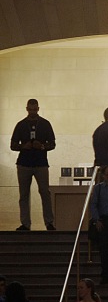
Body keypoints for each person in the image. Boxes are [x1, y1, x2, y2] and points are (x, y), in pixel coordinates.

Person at [10, 98, 56, 231]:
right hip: (24, 163)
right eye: (30, 109)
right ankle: (25, 223)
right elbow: (13, 145)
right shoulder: (21, 125)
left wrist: (41, 146)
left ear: (38, 109)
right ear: (27, 109)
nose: (32, 112)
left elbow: (52, 144)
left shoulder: (45, 124)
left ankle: (49, 222)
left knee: (45, 192)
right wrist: (24, 146)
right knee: (24, 194)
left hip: (41, 163)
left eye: (35, 109)